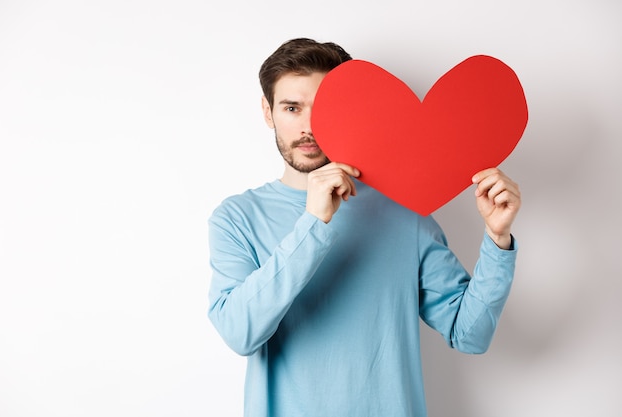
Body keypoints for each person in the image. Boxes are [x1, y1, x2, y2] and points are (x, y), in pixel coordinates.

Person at [208, 38, 521, 417]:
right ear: (268, 111)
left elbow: (469, 334)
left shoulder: (405, 212)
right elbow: (240, 333)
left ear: (349, 111)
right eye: (292, 107)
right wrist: (314, 223)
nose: (308, 127)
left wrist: (497, 239)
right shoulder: (237, 218)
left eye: (322, 109)